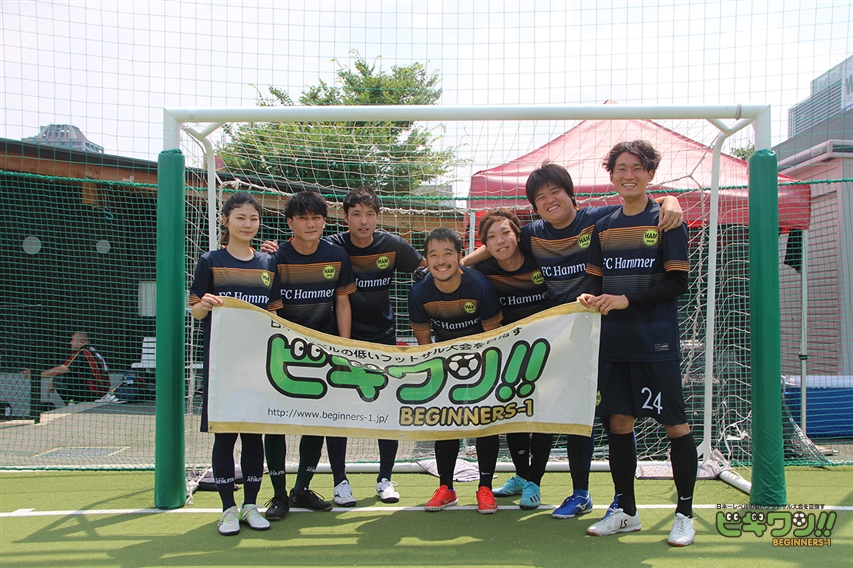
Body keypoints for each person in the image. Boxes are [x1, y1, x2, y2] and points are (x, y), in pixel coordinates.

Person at [463, 162, 684, 519]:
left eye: (556, 192)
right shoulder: (533, 232)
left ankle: (618, 499)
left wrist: (670, 201)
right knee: (569, 413)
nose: (550, 200)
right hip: (561, 338)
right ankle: (577, 491)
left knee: (612, 417)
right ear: (535, 206)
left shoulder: (597, 219)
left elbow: (637, 202)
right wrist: (459, 264)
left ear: (570, 194)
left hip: (606, 332)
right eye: (541, 197)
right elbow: (496, 244)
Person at [579, 140, 696, 546]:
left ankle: (684, 514)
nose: (628, 175)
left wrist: (626, 299)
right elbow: (596, 281)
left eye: (636, 168)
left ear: (650, 173)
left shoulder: (667, 219)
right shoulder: (603, 227)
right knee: (618, 423)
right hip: (613, 345)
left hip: (655, 344)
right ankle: (626, 511)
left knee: (675, 425)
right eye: (621, 168)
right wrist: (589, 296)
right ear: (611, 175)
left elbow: (677, 283)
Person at [322, 187, 426, 506]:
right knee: (338, 412)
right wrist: (272, 251)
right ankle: (340, 481)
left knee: (387, 410)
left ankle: (385, 479)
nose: (363, 221)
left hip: (383, 339)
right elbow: (300, 254)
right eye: (356, 214)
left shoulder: (391, 245)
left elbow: (425, 267)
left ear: (377, 218)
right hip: (342, 340)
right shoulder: (332, 246)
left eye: (369, 214)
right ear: (345, 217)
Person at [189, 191, 279, 536]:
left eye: (253, 218)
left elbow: (274, 317)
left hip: (257, 366)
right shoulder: (210, 261)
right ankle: (227, 510)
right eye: (240, 217)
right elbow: (196, 312)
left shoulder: (268, 263)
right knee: (225, 438)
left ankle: (250, 506)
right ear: (225, 220)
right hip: (222, 365)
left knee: (254, 437)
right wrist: (205, 304)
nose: (247, 224)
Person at [264, 189, 356, 519]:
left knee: (316, 422)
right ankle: (278, 495)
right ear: (290, 223)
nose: (311, 223)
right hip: (282, 353)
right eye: (303, 218)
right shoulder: (275, 257)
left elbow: (342, 302)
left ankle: (301, 489)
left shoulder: (336, 256)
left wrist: (343, 347)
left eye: (316, 217)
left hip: (322, 353)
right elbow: (270, 311)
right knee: (275, 422)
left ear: (325, 221)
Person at [408, 227, 504, 513]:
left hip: (483, 362)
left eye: (447, 253)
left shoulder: (480, 287)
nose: (441, 261)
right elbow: (425, 345)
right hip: (445, 365)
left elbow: (493, 338)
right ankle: (446, 488)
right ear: (426, 260)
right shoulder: (419, 293)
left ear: (460, 256)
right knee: (445, 422)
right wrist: (435, 376)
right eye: (433, 255)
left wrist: (482, 373)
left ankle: (485, 487)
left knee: (485, 422)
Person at [469, 208, 551, 510]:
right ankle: (521, 475)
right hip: (511, 354)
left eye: (505, 233)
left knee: (543, 417)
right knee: (514, 414)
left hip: (548, 350)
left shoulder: (539, 257)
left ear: (518, 234)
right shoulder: (483, 270)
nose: (500, 241)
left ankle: (534, 482)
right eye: (491, 237)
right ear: (485, 244)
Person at [23, 331, 109, 406]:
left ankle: (73, 404)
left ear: (81, 341)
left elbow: (62, 369)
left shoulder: (82, 353)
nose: (70, 343)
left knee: (59, 379)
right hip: (102, 390)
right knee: (60, 376)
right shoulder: (93, 352)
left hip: (95, 391)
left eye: (73, 340)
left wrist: (36, 375)